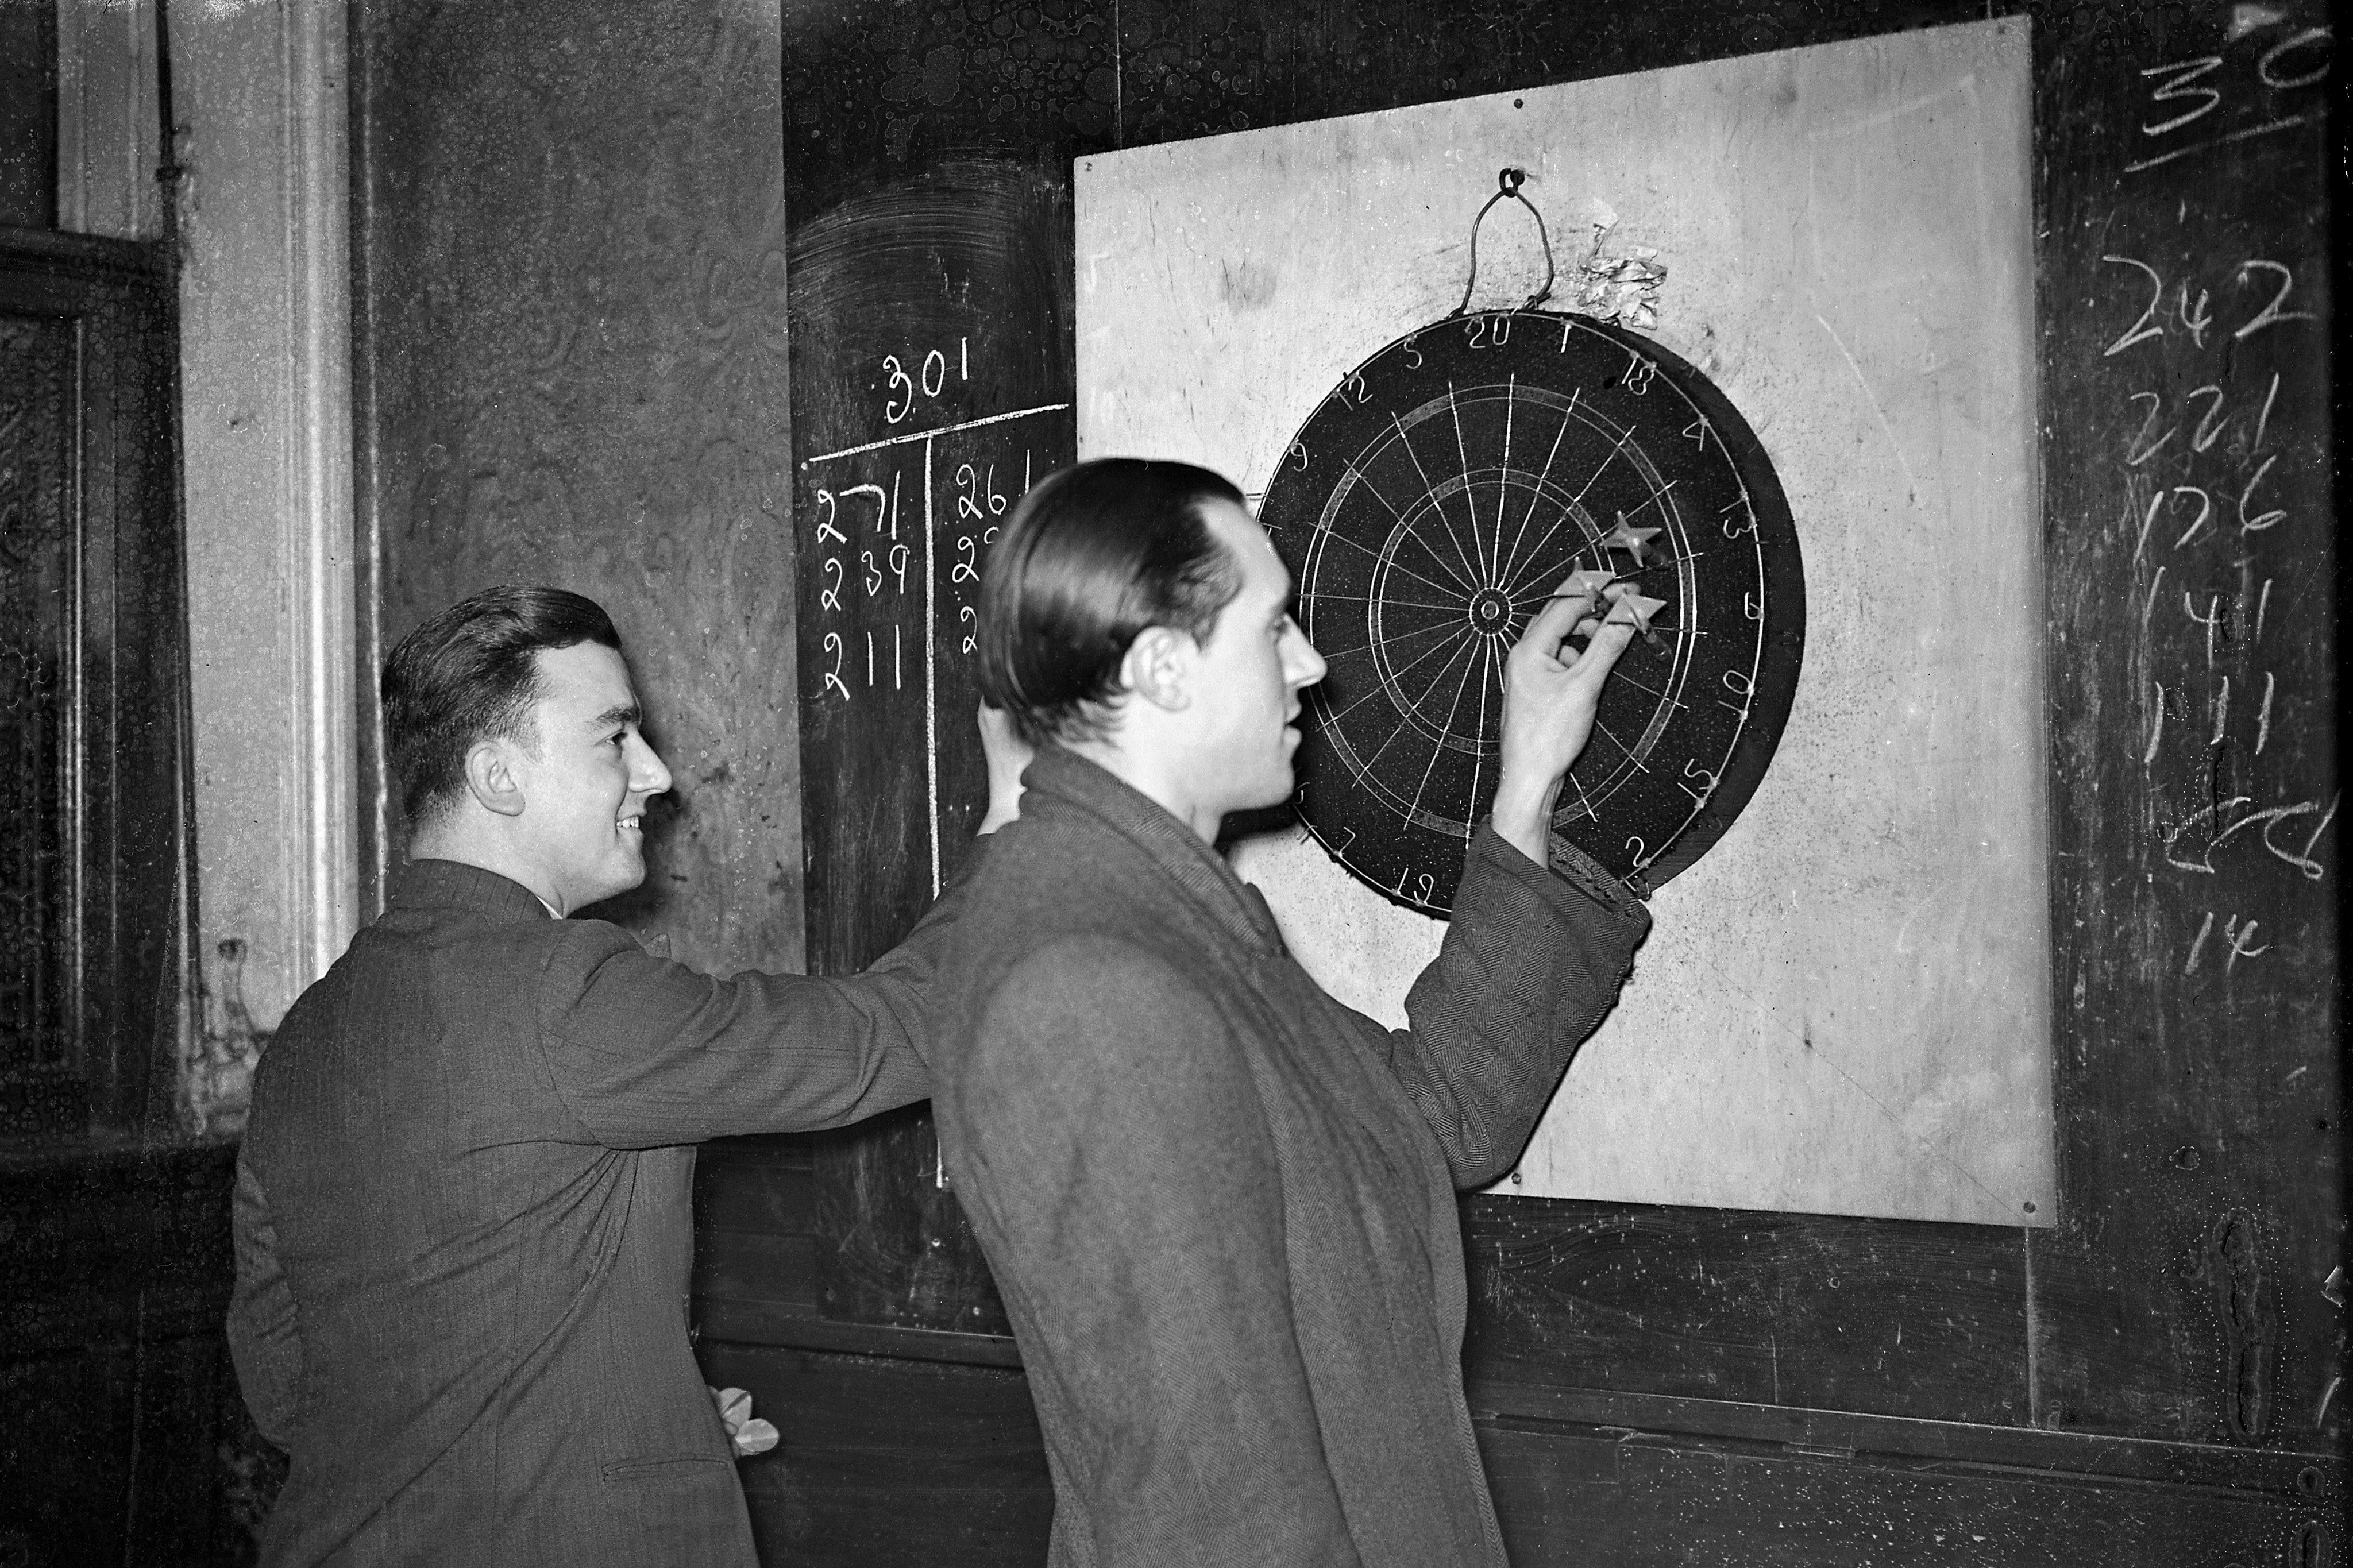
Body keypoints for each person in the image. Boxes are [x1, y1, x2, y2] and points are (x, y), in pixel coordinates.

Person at [932, 459, 1653, 1566]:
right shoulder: (1089, 983)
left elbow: (1434, 1113)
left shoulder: (1160, 918)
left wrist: (1527, 791)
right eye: (1274, 629)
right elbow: (1217, 1510)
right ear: (1166, 667)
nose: (1312, 666)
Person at [228, 586, 1013, 1566]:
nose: (658, 772)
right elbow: (887, 1036)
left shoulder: (305, 1035)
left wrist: (624, 1414)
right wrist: (1016, 826)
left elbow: (286, 1383)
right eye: (616, 739)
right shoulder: (565, 986)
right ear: (498, 776)